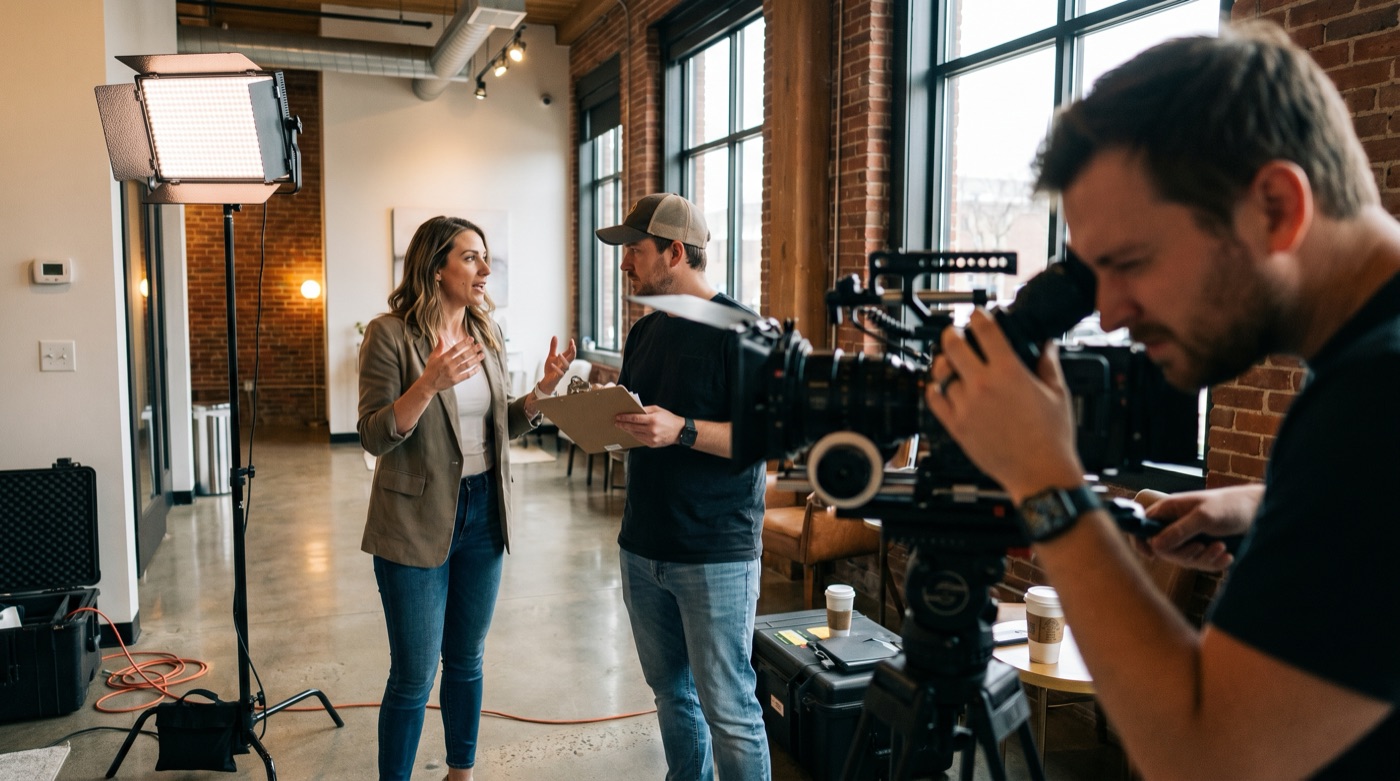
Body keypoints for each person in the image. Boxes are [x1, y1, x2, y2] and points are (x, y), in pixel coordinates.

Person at [923, 22, 1400, 779]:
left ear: (1275, 206)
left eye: (1130, 262)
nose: (1108, 312)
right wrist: (1262, 507)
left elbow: (1208, 760)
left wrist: (1045, 481)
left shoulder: (1376, 403)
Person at [357, 215, 575, 781]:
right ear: (436, 269)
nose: (485, 269)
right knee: (413, 673)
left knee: (467, 659)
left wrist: (544, 392)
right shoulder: (390, 334)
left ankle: (462, 772)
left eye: (486, 257)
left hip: (483, 514)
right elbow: (375, 434)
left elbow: (501, 424)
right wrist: (427, 383)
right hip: (413, 520)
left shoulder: (485, 333)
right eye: (471, 257)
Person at [596, 193, 771, 781]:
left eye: (635, 252)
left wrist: (683, 430)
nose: (626, 264)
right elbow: (637, 424)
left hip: (714, 551)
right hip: (642, 545)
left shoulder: (740, 328)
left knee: (729, 708)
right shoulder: (645, 332)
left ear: (675, 252)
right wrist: (593, 417)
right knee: (671, 694)